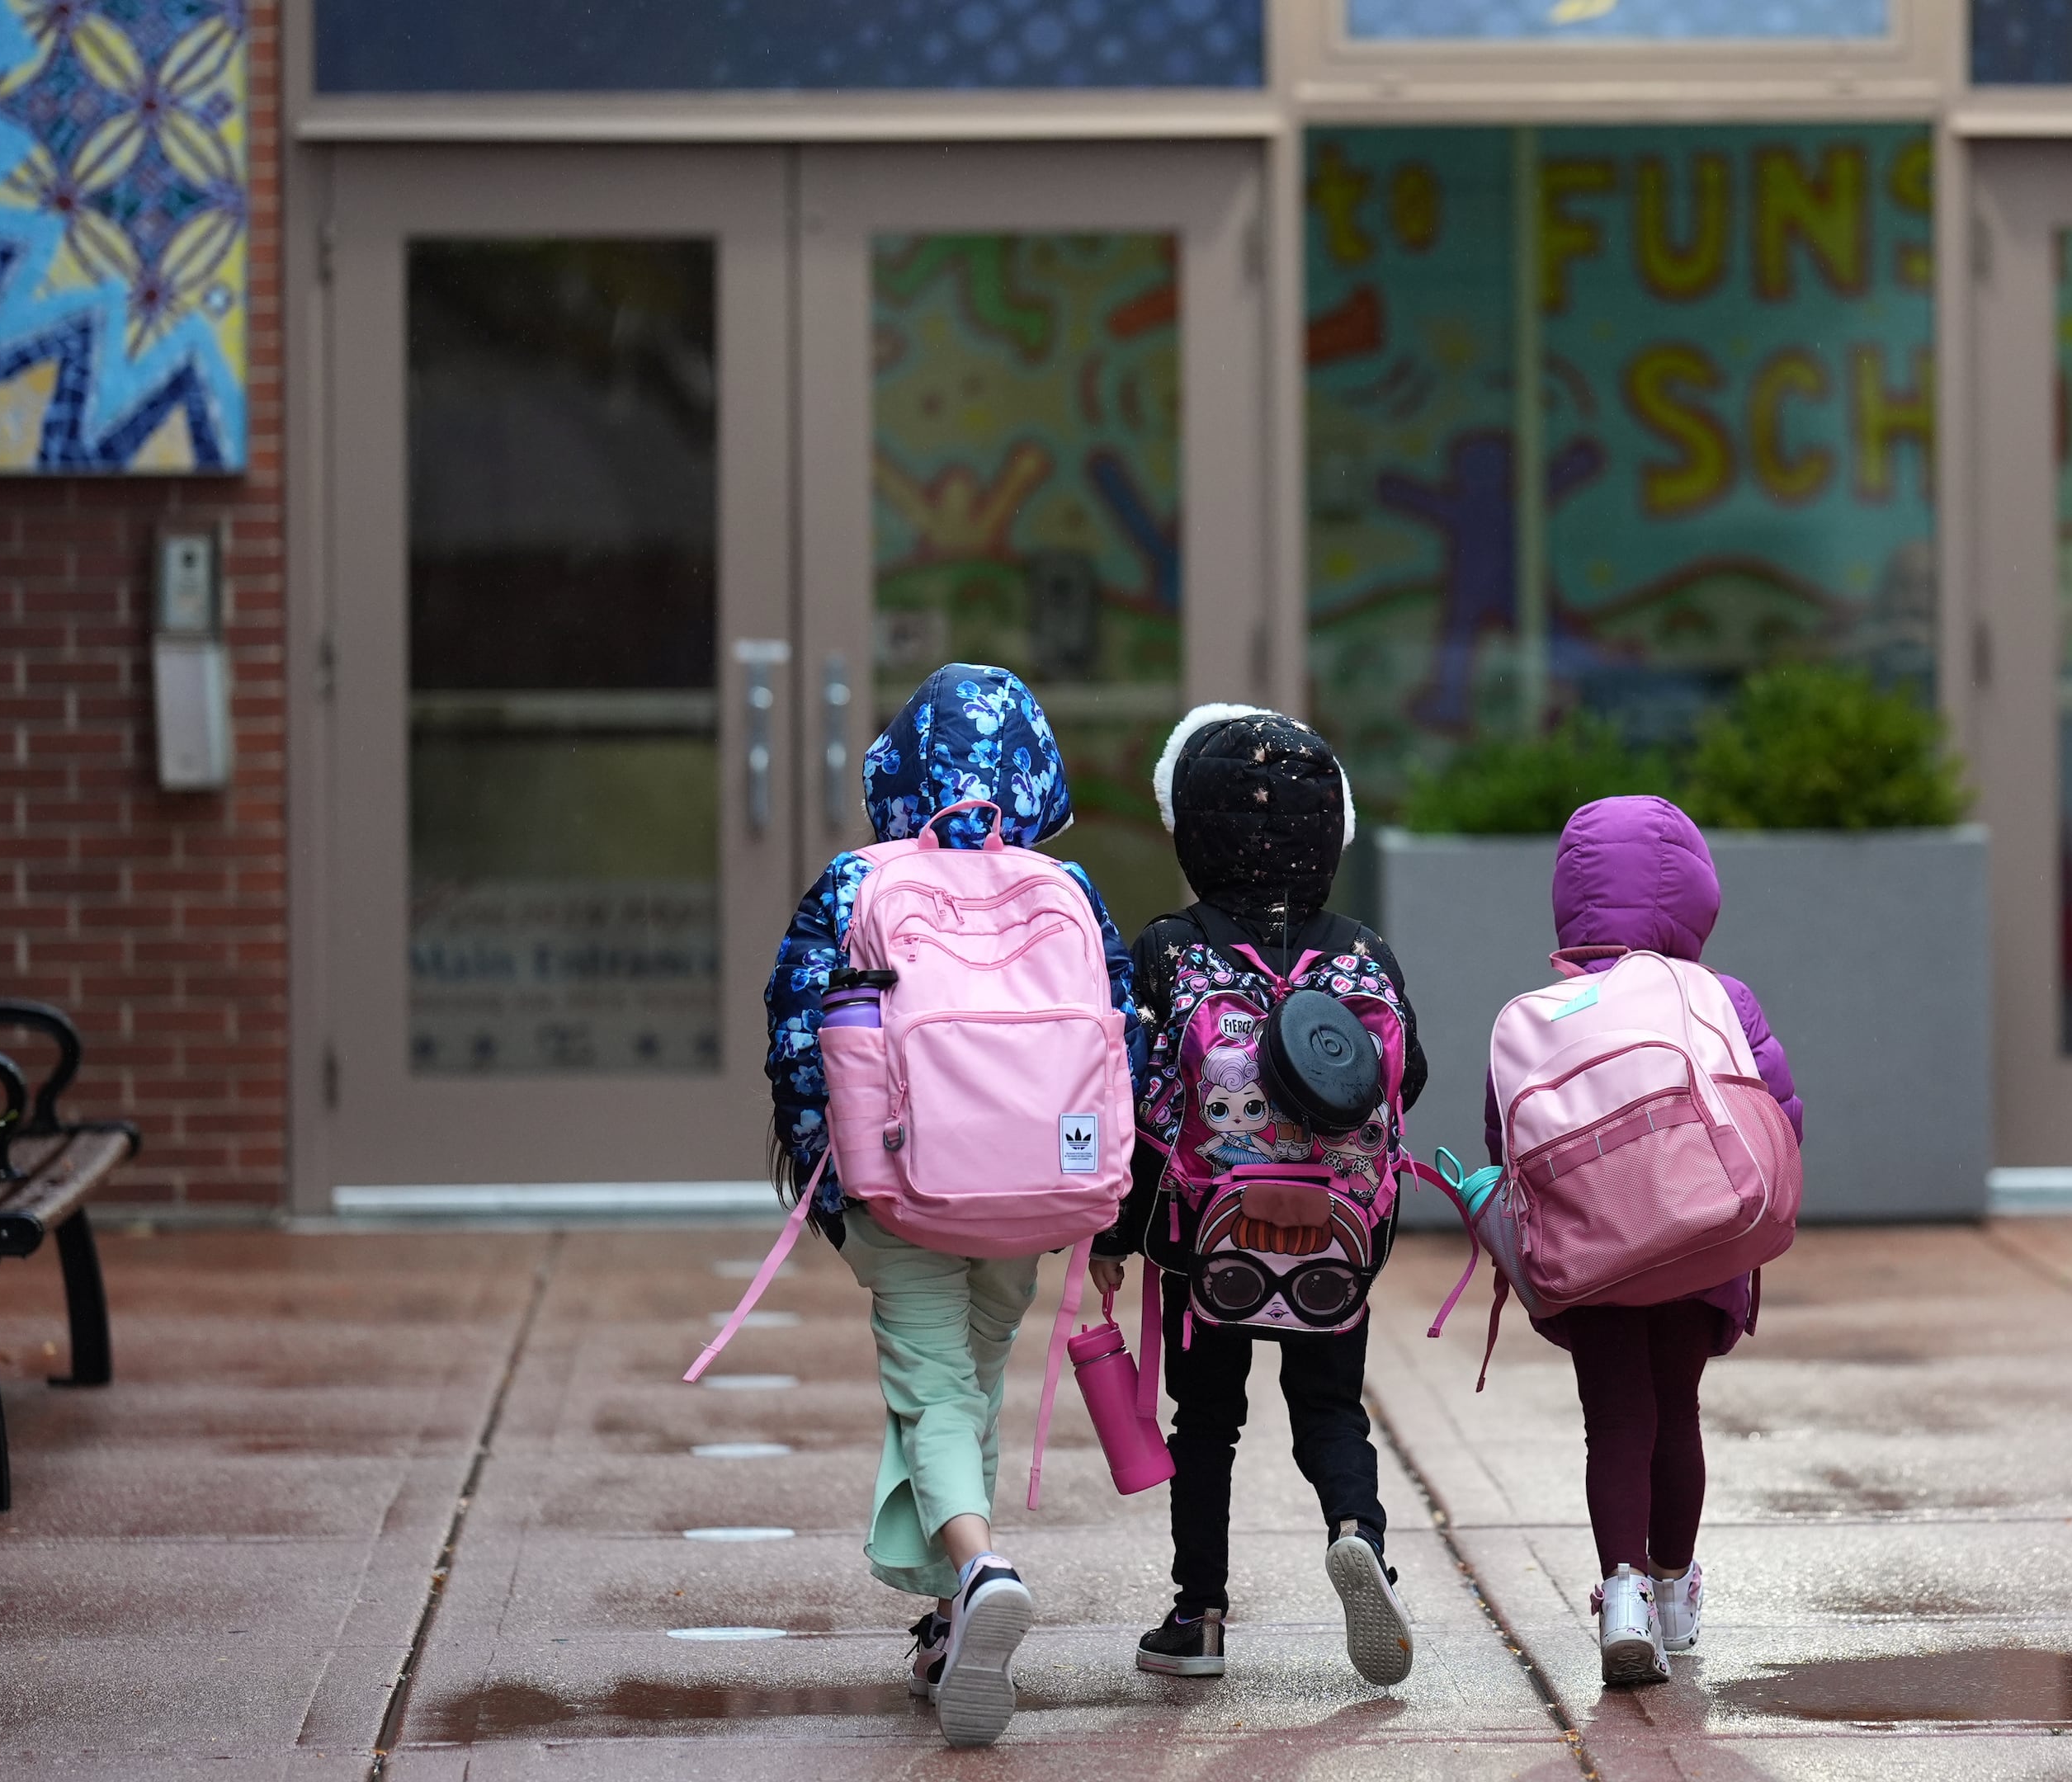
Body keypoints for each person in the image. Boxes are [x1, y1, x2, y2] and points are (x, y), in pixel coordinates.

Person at [760, 663, 1139, 1747]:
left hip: (903, 1187)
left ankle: (979, 1572)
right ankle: (942, 1622)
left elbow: (798, 1039)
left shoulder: (853, 883)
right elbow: (1123, 1043)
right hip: (1035, 1187)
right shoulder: (1063, 886)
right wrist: (1107, 1210)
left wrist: (826, 1184)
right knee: (967, 1382)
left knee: (931, 1391)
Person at [1088, 704, 1428, 1685]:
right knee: (1333, 1413)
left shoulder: (1170, 949)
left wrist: (1115, 1231)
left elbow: (1139, 1101)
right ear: (1332, 834)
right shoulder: (1364, 953)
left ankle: (1198, 1616)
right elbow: (1402, 1083)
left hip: (1208, 1246)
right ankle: (1358, 1532)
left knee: (1207, 1424)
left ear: (1192, 833)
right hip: (1336, 1242)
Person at [1484, 794, 1801, 1686]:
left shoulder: (1544, 1013)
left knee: (1616, 1422)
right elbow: (1778, 1110)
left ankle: (1619, 1596)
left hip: (1594, 1257)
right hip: (1703, 1244)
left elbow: (1500, 1142)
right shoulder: (1716, 995)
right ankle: (1673, 1594)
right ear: (1696, 894)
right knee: (1678, 1415)